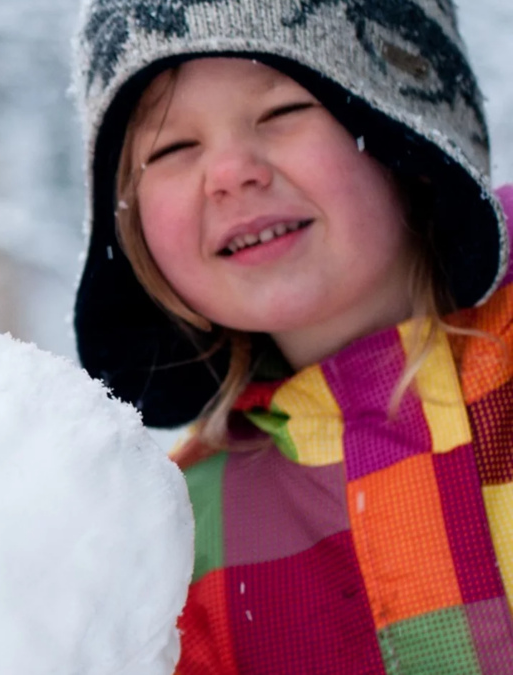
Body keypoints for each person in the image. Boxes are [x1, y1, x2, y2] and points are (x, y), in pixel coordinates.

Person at [73, 0, 513, 672]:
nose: (229, 173)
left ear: (410, 133)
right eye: (172, 148)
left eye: (282, 112)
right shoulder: (177, 537)